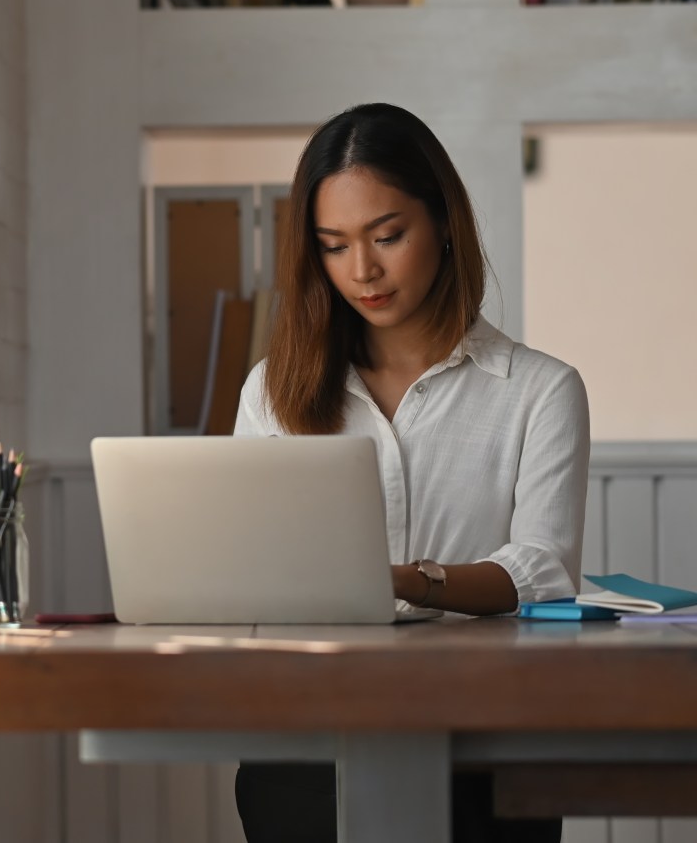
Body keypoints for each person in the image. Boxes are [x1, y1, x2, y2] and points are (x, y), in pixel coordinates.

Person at [232, 103, 590, 843]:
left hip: (487, 736)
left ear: (445, 222)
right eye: (333, 246)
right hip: (307, 734)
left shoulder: (540, 391)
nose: (361, 270)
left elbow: (544, 568)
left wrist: (404, 579)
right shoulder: (273, 390)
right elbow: (248, 566)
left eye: (387, 236)